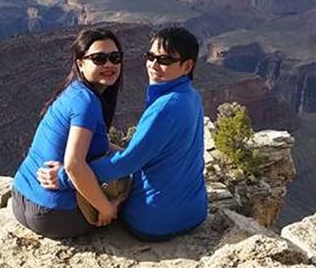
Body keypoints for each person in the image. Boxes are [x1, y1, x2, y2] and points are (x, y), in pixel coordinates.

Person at [39, 26, 207, 242]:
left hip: (153, 222)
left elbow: (128, 162)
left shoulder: (166, 107)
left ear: (187, 66)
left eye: (164, 60)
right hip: (195, 212)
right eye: (150, 56)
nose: (153, 65)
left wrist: (66, 177)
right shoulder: (191, 96)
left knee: (99, 194)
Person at [11, 28, 126, 239]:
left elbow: (94, 145)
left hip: (20, 199)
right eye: (99, 59)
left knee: (124, 168)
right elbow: (74, 165)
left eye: (114, 57)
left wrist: (131, 154)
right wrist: (107, 208)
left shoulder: (75, 92)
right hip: (54, 215)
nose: (109, 64)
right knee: (135, 191)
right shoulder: (87, 102)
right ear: (80, 63)